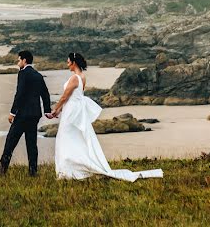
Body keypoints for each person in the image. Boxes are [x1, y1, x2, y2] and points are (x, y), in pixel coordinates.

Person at [49, 52, 163, 181]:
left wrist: (55, 109)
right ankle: (74, 168)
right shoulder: (82, 77)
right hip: (75, 111)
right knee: (75, 138)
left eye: (68, 61)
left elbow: (65, 96)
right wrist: (59, 111)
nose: (67, 64)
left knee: (66, 138)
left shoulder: (75, 78)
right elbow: (74, 97)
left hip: (71, 112)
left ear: (73, 62)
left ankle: (69, 170)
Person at [0, 50, 51, 176]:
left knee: (10, 142)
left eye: (19, 60)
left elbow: (19, 94)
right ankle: (33, 172)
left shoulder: (23, 74)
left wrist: (12, 113)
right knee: (32, 145)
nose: (18, 62)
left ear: (24, 61)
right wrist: (47, 111)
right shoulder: (38, 75)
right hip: (35, 115)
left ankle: (1, 171)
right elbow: (45, 94)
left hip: (22, 115)